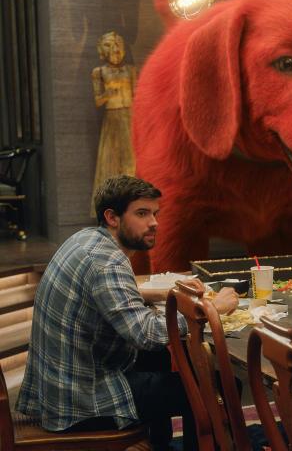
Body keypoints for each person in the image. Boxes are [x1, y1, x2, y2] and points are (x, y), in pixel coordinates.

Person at [16, 175, 239, 450]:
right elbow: (146, 334)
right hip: (83, 402)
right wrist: (212, 309)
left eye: (155, 214)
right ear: (112, 217)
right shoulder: (107, 262)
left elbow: (100, 294)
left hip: (61, 388)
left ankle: (159, 443)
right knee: (213, 389)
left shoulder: (86, 239)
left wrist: (163, 293)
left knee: (158, 358)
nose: (154, 223)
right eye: (142, 214)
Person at [90, 31, 137, 217]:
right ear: (103, 49)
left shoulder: (130, 70)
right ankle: (111, 205)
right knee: (110, 162)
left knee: (130, 160)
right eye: (110, 45)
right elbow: (98, 101)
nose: (115, 49)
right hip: (112, 119)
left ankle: (132, 202)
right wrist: (109, 94)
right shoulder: (98, 72)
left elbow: (137, 96)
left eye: (118, 44)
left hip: (128, 116)